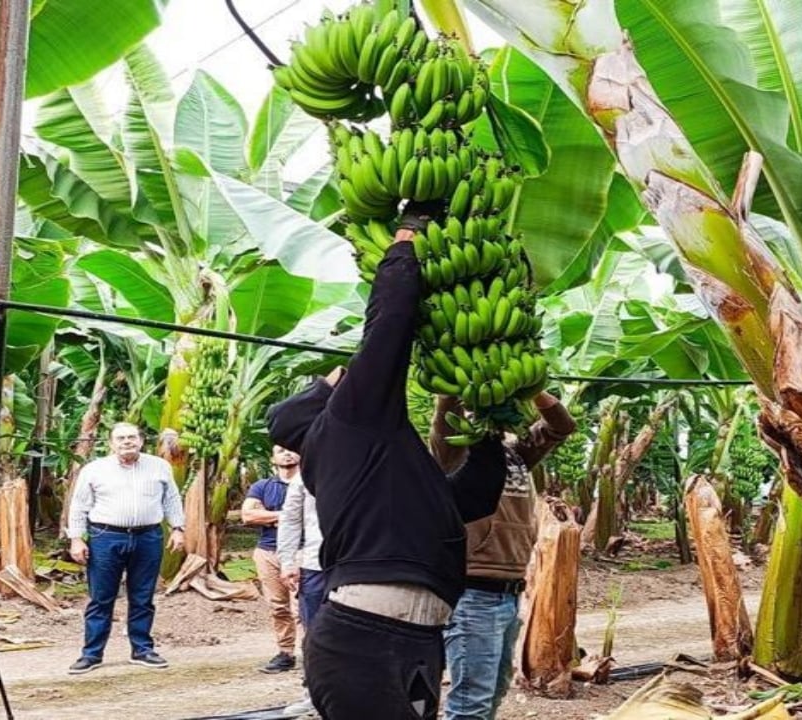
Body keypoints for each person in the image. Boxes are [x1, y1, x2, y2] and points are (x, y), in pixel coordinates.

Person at [266, 212, 507, 720]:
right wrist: (405, 243)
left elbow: (472, 498)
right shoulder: (348, 424)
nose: (345, 379)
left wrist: (485, 425)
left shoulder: (376, 466)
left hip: (413, 637)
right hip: (363, 638)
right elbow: (387, 332)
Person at [431, 392, 577, 720]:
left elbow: (562, 427)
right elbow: (444, 416)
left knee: (494, 692)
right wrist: (456, 384)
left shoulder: (517, 453)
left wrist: (534, 390)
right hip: (473, 593)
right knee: (472, 702)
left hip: (510, 593)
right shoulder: (453, 453)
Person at [66, 422, 185, 674]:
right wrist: (76, 538)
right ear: (111, 443)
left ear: (141, 440)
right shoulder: (95, 470)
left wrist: (177, 528)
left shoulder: (159, 466)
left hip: (148, 537)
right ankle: (92, 654)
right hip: (106, 537)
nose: (127, 442)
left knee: (143, 597)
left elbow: (171, 498)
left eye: (132, 437)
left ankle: (142, 649)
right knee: (101, 598)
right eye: (121, 438)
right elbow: (79, 506)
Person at [243, 445, 302, 674]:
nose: (287, 453)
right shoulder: (262, 486)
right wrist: (287, 516)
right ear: (273, 458)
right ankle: (285, 652)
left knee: (302, 608)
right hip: (268, 551)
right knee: (278, 606)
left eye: (292, 449)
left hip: (302, 552)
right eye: (281, 450)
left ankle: (313, 653)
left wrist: (269, 517)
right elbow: (248, 515)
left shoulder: (310, 485)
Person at [276, 469, 325, 715]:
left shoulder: (368, 463)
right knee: (314, 634)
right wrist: (287, 561)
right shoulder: (305, 474)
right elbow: (291, 519)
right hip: (315, 565)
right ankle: (314, 695)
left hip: (360, 564)